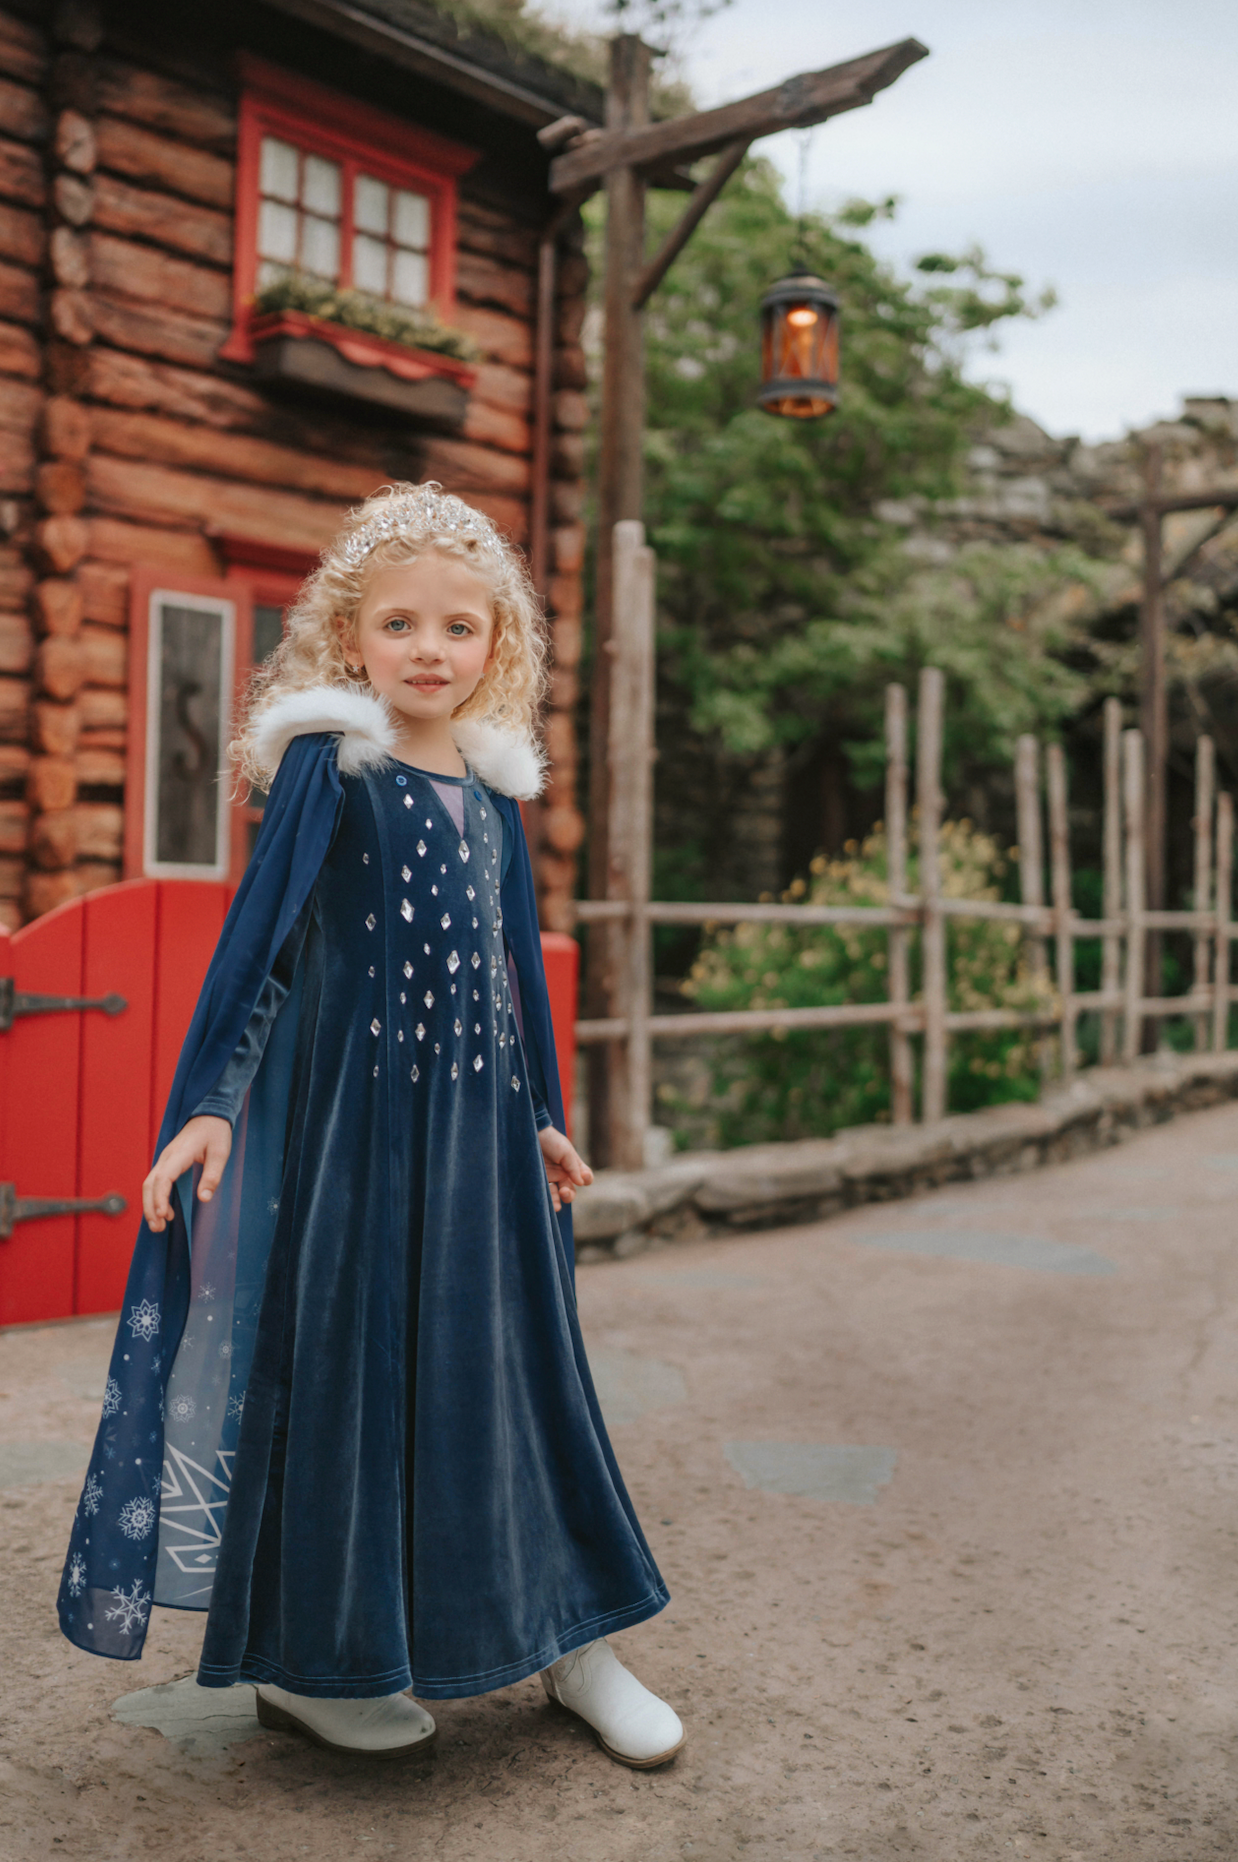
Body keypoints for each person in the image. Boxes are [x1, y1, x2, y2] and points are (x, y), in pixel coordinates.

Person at [57, 483, 683, 1769]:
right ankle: (318, 1662)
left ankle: (575, 1637)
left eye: (459, 627)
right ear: (349, 639)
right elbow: (260, 948)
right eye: (398, 623)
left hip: (484, 1148)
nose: (429, 649)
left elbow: (513, 977)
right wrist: (208, 1109)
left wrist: (547, 1123)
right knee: (350, 1380)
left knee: (521, 1377)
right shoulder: (326, 767)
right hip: (359, 1141)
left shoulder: (496, 794)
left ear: (495, 647)